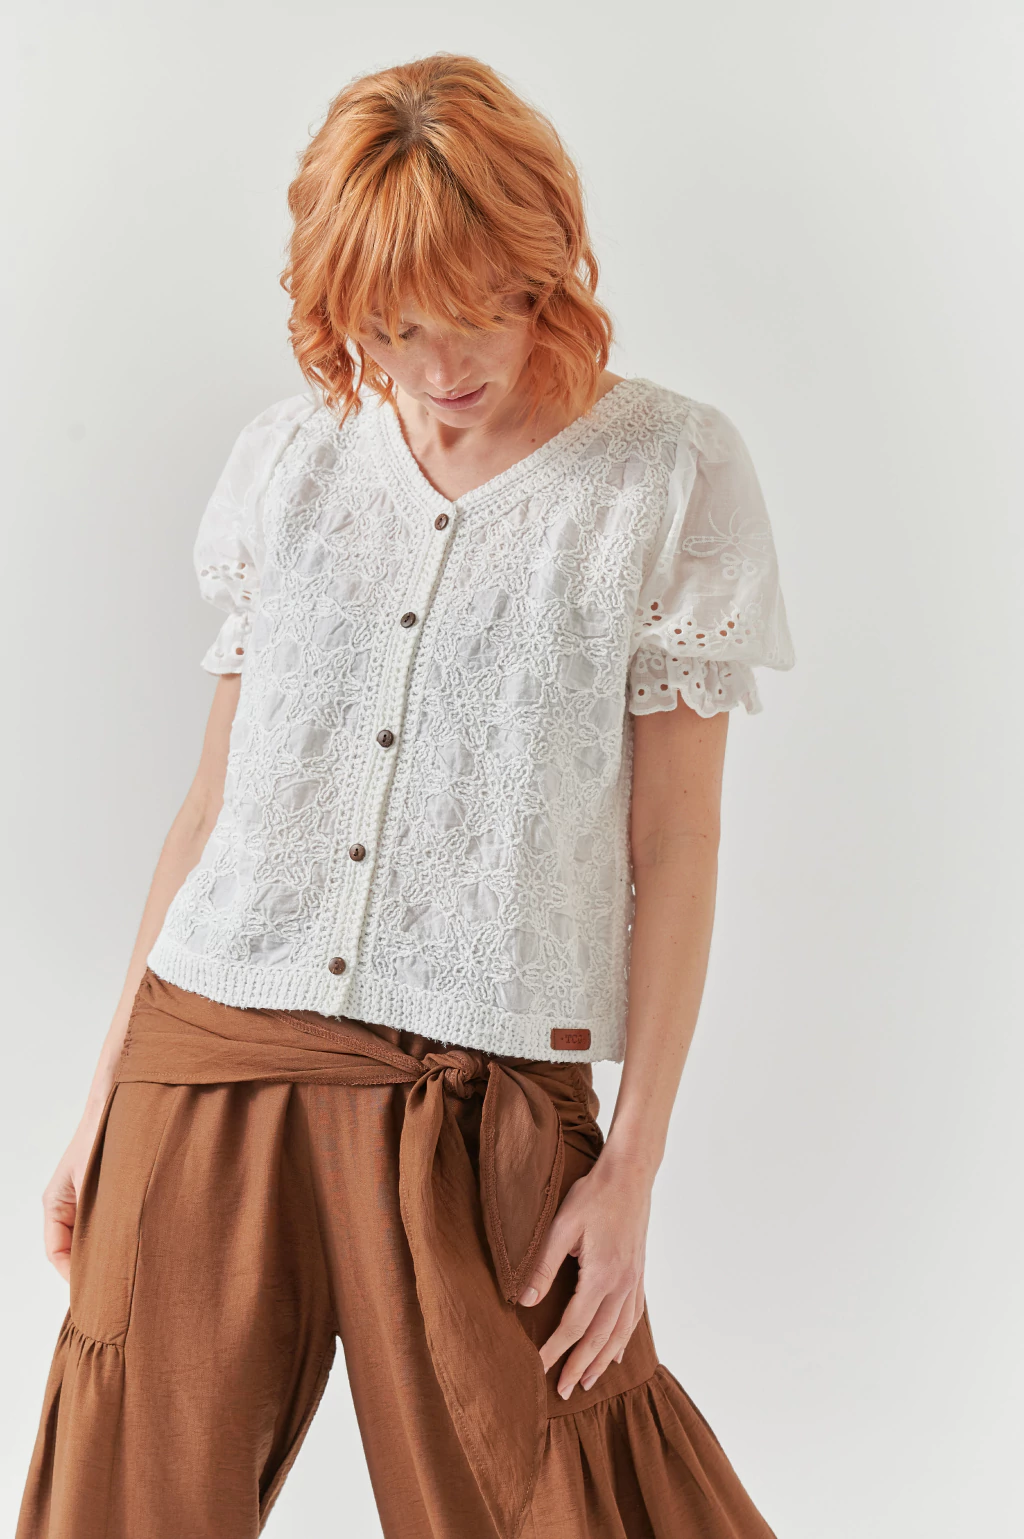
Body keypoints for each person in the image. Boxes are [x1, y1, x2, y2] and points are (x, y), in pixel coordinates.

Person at [17, 51, 795, 1539]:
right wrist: (102, 1096)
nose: (441, 368)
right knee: (128, 1497)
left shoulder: (665, 474)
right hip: (209, 1050)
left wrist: (631, 1170)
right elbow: (211, 813)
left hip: (481, 1091)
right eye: (393, 329)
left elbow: (678, 843)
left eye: (479, 307)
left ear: (546, 263)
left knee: (567, 1488)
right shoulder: (289, 465)